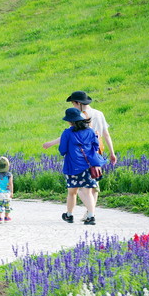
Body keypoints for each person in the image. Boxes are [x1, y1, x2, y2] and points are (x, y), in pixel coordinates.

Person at [43, 90, 117, 218]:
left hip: (80, 157)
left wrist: (51, 143)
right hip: (96, 154)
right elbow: (106, 134)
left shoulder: (82, 115)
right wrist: (112, 152)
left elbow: (72, 136)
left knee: (82, 188)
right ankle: (90, 213)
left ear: (78, 103)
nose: (73, 107)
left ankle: (88, 213)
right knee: (93, 186)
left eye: (73, 104)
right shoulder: (99, 114)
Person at [58, 107, 102, 225]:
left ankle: (71, 215)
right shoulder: (91, 131)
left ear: (69, 121)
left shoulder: (67, 133)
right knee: (85, 191)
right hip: (88, 165)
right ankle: (86, 215)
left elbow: (62, 150)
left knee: (73, 191)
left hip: (73, 166)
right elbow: (96, 147)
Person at [0, 156, 13, 224]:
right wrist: (12, 192)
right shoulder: (9, 175)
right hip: (6, 194)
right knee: (7, 206)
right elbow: (10, 184)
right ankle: (6, 217)